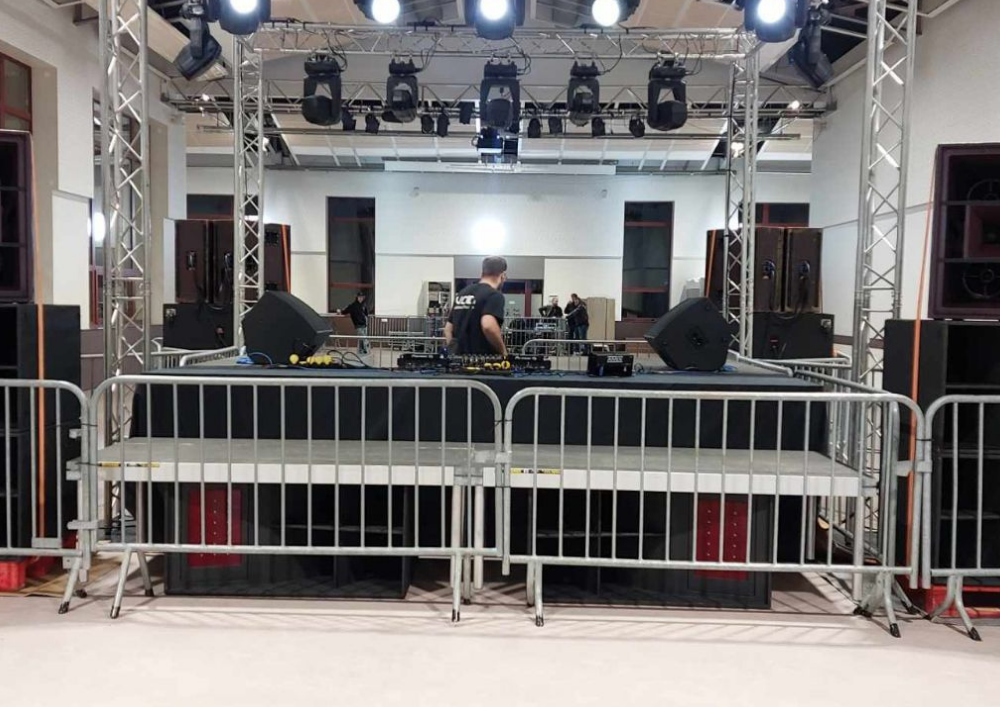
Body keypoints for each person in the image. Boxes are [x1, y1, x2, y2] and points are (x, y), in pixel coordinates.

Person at [445, 256, 509, 356]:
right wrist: (503, 351)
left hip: (459, 360)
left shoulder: (462, 293)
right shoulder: (494, 295)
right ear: (502, 275)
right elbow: (488, 326)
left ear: (483, 273)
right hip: (484, 360)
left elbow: (448, 329)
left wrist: (454, 353)